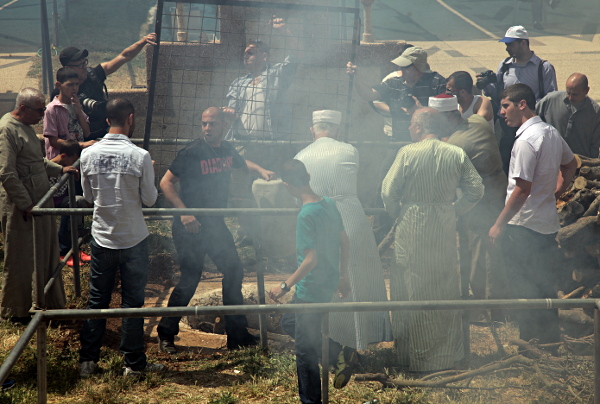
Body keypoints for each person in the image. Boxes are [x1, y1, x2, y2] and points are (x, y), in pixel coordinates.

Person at [156, 107, 274, 353]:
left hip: (215, 224)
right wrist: (184, 213)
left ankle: (237, 334)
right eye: (204, 124)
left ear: (222, 126)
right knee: (190, 279)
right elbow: (165, 182)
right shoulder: (191, 152)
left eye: (212, 124)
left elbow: (242, 163)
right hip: (190, 226)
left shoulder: (225, 148)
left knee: (234, 271)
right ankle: (166, 333)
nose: (207, 128)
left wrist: (261, 170)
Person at [382, 107, 484, 372]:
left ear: (418, 126)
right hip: (443, 225)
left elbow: (388, 192)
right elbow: (476, 190)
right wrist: (453, 210)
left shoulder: (407, 152)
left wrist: (399, 213)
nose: (408, 129)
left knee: (411, 285)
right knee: (442, 287)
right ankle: (444, 357)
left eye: (410, 125)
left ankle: (411, 357)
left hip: (412, 225)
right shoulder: (456, 153)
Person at [294, 110, 392, 350]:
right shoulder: (350, 150)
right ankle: (359, 340)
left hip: (319, 217)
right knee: (357, 275)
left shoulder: (301, 156)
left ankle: (331, 341)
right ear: (337, 130)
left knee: (325, 274)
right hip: (350, 214)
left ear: (312, 130)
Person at [78, 98, 163, 378]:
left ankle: (88, 362)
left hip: (102, 238)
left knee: (97, 301)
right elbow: (150, 200)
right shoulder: (140, 156)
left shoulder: (88, 155)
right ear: (130, 118)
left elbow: (89, 197)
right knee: (132, 303)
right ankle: (133, 364)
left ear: (106, 121)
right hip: (134, 239)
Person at [489, 84, 577, 346]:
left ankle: (530, 345)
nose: (502, 112)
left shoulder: (526, 140)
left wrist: (498, 224)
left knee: (524, 289)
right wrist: (557, 191)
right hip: (546, 225)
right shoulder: (549, 132)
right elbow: (570, 164)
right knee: (543, 286)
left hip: (523, 228)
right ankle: (550, 343)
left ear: (522, 104)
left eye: (505, 106)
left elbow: (522, 189)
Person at [268, 159, 357, 404]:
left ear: (287, 185)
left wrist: (284, 286)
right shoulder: (328, 203)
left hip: (311, 290)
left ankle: (311, 401)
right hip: (328, 282)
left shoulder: (305, 214)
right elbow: (345, 241)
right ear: (307, 175)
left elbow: (310, 259)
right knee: (289, 321)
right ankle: (340, 353)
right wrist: (343, 275)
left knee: (304, 353)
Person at [347, 46, 446, 242]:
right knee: (385, 185)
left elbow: (448, 115)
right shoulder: (394, 82)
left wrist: (419, 111)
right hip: (398, 143)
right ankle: (381, 230)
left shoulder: (437, 83)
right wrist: (356, 77)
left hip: (429, 146)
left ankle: (430, 232)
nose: (403, 72)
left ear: (418, 67)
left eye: (407, 68)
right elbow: (369, 95)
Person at [0, 88, 76, 323]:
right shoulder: (6, 130)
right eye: (39, 111)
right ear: (23, 109)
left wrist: (59, 169)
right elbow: (6, 172)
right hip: (22, 207)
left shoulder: (26, 128)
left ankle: (47, 301)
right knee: (21, 257)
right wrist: (25, 204)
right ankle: (16, 311)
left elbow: (36, 160)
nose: (43, 116)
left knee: (44, 251)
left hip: (39, 204)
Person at [428, 94, 508, 305]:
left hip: (480, 200)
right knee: (489, 248)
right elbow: (484, 102)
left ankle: (484, 306)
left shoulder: (455, 146)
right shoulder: (477, 121)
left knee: (479, 253)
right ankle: (493, 304)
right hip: (496, 190)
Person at [479, 26, 557, 174]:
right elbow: (499, 94)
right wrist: (488, 85)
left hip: (530, 125)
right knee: (503, 163)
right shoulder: (504, 65)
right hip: (506, 125)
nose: (507, 48)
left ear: (523, 43)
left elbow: (549, 98)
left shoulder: (543, 67)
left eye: (510, 44)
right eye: (506, 45)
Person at [56, 33, 157, 139]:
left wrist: (142, 42)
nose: (84, 67)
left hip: (104, 134)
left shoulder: (94, 74)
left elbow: (123, 56)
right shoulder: (61, 91)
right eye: (79, 65)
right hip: (79, 140)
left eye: (85, 62)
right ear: (68, 68)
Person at [223, 16, 300, 140]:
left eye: (251, 53)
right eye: (245, 53)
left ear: (264, 56)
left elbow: (297, 56)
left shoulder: (276, 75)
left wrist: (284, 31)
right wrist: (229, 112)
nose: (246, 56)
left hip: (270, 145)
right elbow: (233, 112)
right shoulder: (238, 83)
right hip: (241, 142)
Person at [48, 140, 91, 266]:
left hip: (61, 198)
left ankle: (75, 245)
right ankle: (63, 251)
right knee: (72, 207)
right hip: (49, 202)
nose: (75, 164)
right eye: (74, 160)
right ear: (63, 156)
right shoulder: (48, 167)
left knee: (79, 202)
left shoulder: (66, 165)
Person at [537, 73, 600, 158]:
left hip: (580, 164)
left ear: (586, 90)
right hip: (549, 160)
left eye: (575, 94)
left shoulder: (595, 112)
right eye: (568, 93)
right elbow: (532, 119)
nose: (570, 97)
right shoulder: (550, 101)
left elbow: (594, 144)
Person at [44, 67, 95, 160]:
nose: (75, 88)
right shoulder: (52, 109)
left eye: (77, 84)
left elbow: (87, 133)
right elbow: (53, 140)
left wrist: (79, 111)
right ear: (59, 85)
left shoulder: (76, 104)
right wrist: (80, 144)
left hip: (78, 158)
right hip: (61, 160)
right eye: (70, 85)